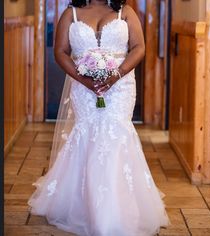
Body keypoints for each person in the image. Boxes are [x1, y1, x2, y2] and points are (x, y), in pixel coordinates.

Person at [28, 0, 171, 235]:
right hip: (83, 87)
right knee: (88, 132)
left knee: (117, 132)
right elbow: (60, 52)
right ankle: (86, 206)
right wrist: (84, 80)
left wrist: (117, 75)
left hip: (121, 86)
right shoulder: (70, 13)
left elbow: (139, 47)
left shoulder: (126, 12)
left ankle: (117, 208)